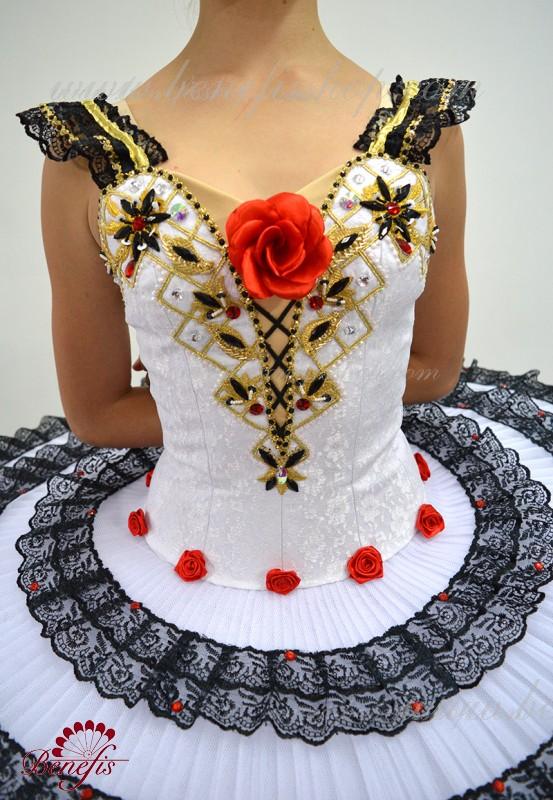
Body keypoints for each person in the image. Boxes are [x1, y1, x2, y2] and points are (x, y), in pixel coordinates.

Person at [2, 1, 553, 798]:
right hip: (183, 563)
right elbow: (96, 412)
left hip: (399, 549)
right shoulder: (86, 160)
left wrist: (228, 417)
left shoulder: (423, 132)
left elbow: (435, 367)